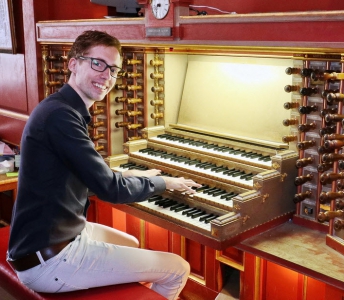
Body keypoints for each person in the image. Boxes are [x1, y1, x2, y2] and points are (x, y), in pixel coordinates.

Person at [7, 30, 201, 300]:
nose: (106, 77)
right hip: (48, 258)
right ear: (73, 63)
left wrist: (126, 173)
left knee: (131, 243)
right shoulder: (60, 117)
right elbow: (111, 190)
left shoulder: (60, 107)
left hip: (44, 237)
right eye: (97, 63)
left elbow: (75, 175)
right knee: (178, 268)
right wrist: (165, 182)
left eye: (113, 70)